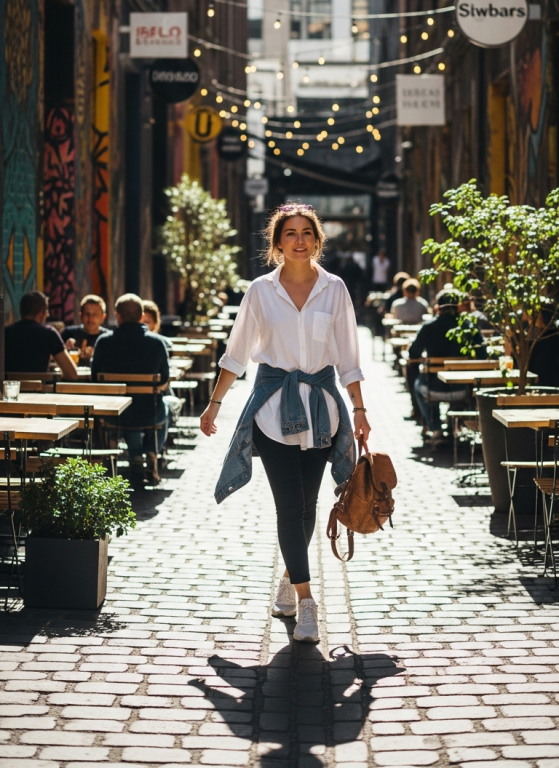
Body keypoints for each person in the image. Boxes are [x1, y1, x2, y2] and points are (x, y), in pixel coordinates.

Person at [200, 203, 371, 644]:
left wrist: (359, 410)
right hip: (272, 413)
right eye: (290, 233)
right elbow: (236, 353)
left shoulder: (334, 290)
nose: (299, 240)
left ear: (317, 240)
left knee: (308, 505)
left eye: (306, 232)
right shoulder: (260, 291)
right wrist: (215, 404)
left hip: (322, 414)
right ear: (277, 243)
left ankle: (289, 579)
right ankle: (308, 601)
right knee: (289, 506)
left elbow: (349, 358)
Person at [91, 293, 170, 485]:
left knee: (128, 407)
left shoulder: (103, 342)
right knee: (165, 406)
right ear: (142, 316)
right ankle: (151, 451)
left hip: (114, 415)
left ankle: (136, 456)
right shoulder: (157, 343)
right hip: (149, 413)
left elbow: (94, 378)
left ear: (117, 316)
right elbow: (164, 379)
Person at [408, 289, 486, 441]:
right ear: (459, 307)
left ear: (438, 307)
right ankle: (453, 424)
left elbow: (413, 353)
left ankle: (435, 427)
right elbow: (482, 353)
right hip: (463, 390)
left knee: (418, 385)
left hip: (433, 389)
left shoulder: (429, 326)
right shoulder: (468, 326)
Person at [5, 291, 78, 379]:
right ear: (42, 314)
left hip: (8, 387)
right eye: (47, 313)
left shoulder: (5, 333)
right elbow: (72, 374)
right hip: (39, 387)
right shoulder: (49, 333)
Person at [62, 294, 111, 365]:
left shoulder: (109, 338)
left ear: (103, 317)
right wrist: (65, 350)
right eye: (87, 314)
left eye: (94, 315)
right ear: (81, 316)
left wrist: (96, 354)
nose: (90, 319)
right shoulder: (68, 333)